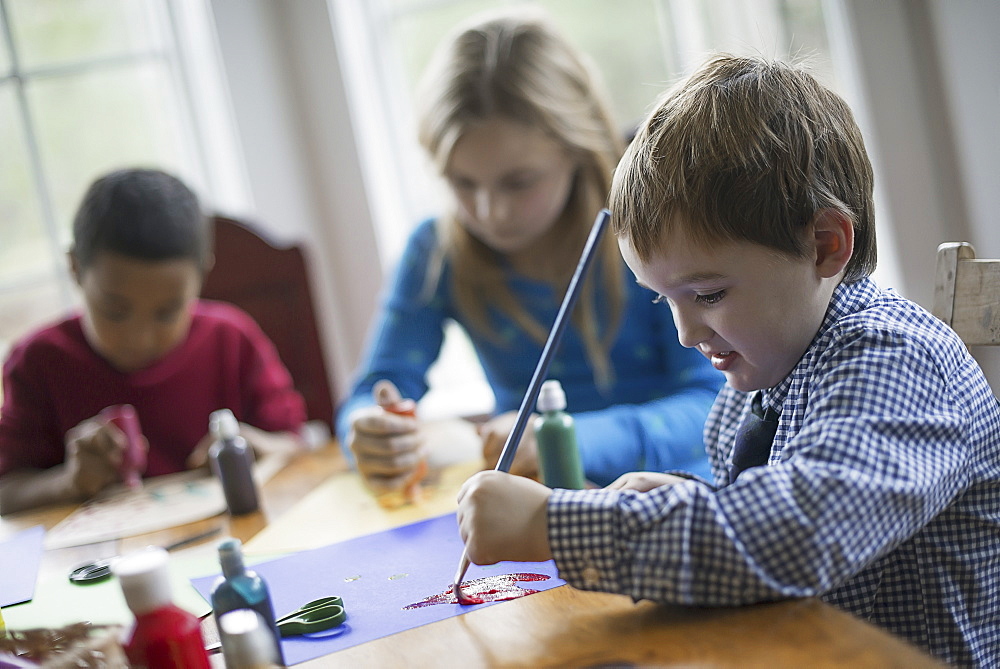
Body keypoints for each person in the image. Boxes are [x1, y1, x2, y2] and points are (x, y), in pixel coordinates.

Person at [455, 55, 1000, 667]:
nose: (687, 334)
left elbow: (795, 536)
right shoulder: (768, 360)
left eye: (708, 295)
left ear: (825, 245)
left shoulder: (896, 362)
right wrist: (686, 498)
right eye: (665, 301)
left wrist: (555, 524)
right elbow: (767, 505)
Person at [336, 8, 722, 498]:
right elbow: (376, 387)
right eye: (462, 183)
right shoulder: (437, 251)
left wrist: (565, 438)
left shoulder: (653, 225)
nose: (490, 211)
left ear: (577, 148)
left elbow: (715, 402)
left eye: (518, 182)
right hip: (533, 509)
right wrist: (372, 428)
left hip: (678, 497)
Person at [0, 168, 306, 515]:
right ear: (75, 269)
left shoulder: (232, 340)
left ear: (202, 275)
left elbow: (295, 444)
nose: (139, 337)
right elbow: (6, 490)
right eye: (115, 311)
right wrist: (69, 481)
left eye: (167, 312)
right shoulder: (37, 362)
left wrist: (255, 447)